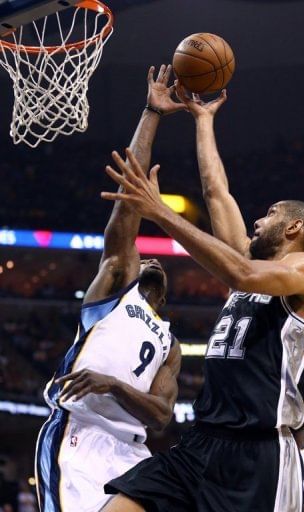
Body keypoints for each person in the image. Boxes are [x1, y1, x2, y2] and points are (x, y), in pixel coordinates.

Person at [100, 87, 304, 512]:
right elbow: (216, 193)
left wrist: (161, 212)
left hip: (257, 454)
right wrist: (202, 120)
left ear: (295, 227)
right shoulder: (250, 262)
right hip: (201, 442)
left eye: (271, 214)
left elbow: (239, 273)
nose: (259, 220)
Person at [34, 65, 184, 512]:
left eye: (159, 262)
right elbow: (126, 206)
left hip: (134, 454)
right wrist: (152, 113)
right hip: (80, 439)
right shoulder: (119, 286)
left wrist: (113, 386)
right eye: (145, 258)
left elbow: (161, 417)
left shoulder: (170, 343)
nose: (150, 260)